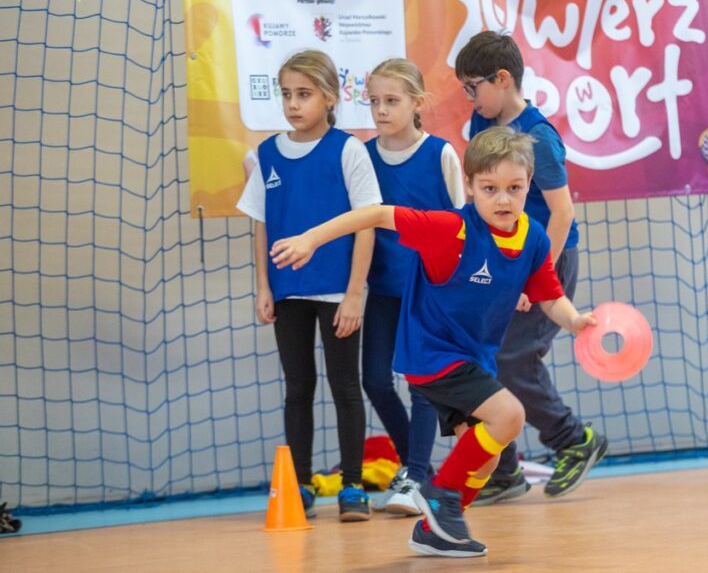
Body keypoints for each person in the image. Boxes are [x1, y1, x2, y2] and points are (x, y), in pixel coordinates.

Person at [269, 127, 596, 557]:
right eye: (490, 188)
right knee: (510, 416)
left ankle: (435, 529)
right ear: (471, 185)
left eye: (514, 188)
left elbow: (548, 293)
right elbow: (374, 213)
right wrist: (311, 238)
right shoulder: (450, 229)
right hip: (432, 354)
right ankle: (441, 498)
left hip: (474, 359)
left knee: (490, 456)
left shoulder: (533, 236)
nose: (502, 199)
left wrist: (574, 321)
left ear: (529, 185)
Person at [456, 31, 608, 504]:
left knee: (512, 359)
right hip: (503, 266)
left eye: (472, 86)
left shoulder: (538, 138)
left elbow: (562, 214)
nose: (469, 97)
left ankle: (572, 440)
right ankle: (504, 470)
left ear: (502, 79)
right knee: (483, 359)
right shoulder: (481, 128)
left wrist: (530, 274)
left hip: (547, 263)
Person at [236, 49, 380, 522]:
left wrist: (356, 292)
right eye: (286, 94)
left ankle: (353, 486)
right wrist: (263, 285)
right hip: (288, 292)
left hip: (339, 292)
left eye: (304, 94)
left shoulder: (349, 149)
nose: (293, 104)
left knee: (345, 386)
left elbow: (367, 224)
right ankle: (298, 482)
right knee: (297, 387)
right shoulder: (267, 154)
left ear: (330, 98)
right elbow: (260, 224)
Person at [362, 59, 466, 516]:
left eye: (391, 101)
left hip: (429, 291)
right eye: (374, 102)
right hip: (382, 288)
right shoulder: (361, 156)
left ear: (417, 103)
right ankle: (414, 466)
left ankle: (417, 475)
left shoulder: (440, 154)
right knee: (375, 380)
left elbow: (465, 224)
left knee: (422, 384)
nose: (381, 111)